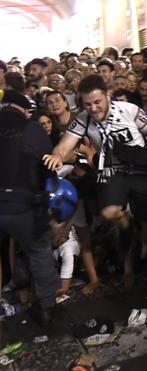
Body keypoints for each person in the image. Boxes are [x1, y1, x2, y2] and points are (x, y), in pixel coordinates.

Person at [43, 74, 147, 288]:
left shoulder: (129, 110)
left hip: (142, 170)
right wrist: (57, 155)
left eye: (98, 102)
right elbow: (65, 144)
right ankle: (125, 225)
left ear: (107, 96)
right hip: (113, 171)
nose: (94, 108)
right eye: (88, 104)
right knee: (109, 213)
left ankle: (142, 254)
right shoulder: (83, 119)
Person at [0, 90, 60, 325]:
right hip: (24, 205)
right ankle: (46, 307)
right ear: (24, 109)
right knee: (39, 253)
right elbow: (48, 164)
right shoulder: (32, 128)